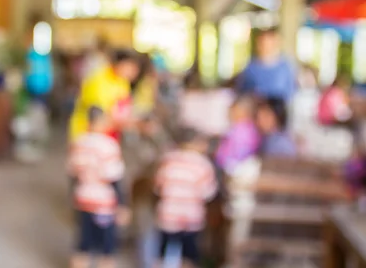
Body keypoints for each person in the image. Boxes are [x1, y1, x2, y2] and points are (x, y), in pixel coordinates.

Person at [67, 107, 129, 268]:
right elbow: (114, 178)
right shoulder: (109, 145)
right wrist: (122, 205)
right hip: (104, 202)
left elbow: (72, 174)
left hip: (82, 197)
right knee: (107, 248)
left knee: (83, 243)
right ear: (101, 121)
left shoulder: (79, 142)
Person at [154, 128, 218, 268]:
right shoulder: (202, 164)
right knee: (189, 256)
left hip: (168, 214)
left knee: (163, 254)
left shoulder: (167, 161)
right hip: (191, 216)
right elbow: (208, 193)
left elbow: (158, 187)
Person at [69, 49, 140, 144]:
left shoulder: (123, 82)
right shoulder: (98, 81)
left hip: (108, 138)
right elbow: (96, 121)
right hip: (87, 136)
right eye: (131, 67)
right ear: (120, 63)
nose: (135, 72)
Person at [236, 28, 296, 102]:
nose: (265, 45)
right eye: (262, 42)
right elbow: (242, 90)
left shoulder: (285, 67)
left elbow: (290, 92)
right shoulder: (251, 67)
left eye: (268, 42)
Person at [216, 96, 261, 173]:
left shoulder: (243, 129)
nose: (230, 113)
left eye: (234, 110)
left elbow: (238, 154)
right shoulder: (245, 128)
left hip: (234, 169)